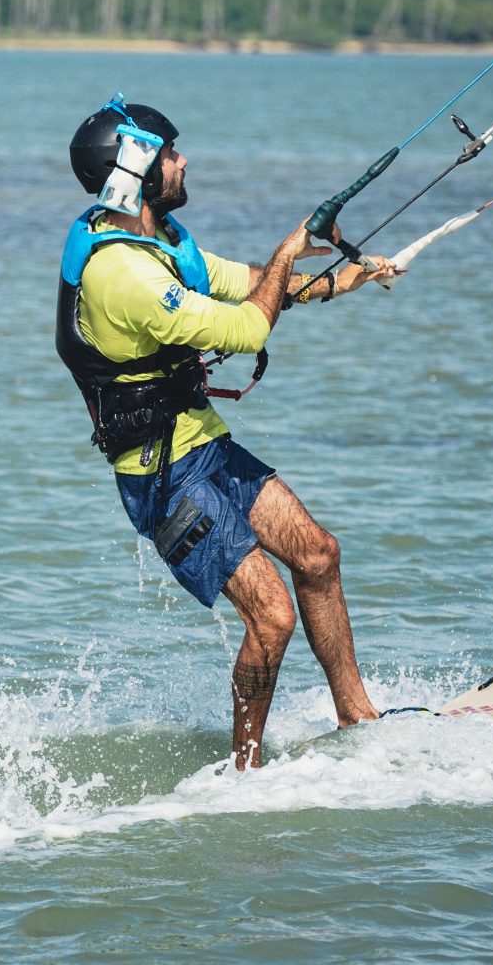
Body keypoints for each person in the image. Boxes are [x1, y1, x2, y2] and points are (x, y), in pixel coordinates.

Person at [57, 93, 398, 769]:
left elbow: (250, 285)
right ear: (138, 169)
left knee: (318, 555)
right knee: (272, 616)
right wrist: (287, 249)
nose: (184, 162)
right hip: (161, 477)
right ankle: (247, 770)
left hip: (202, 444)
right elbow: (248, 328)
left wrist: (348, 278)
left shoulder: (161, 242)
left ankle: (357, 716)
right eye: (171, 153)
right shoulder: (123, 273)